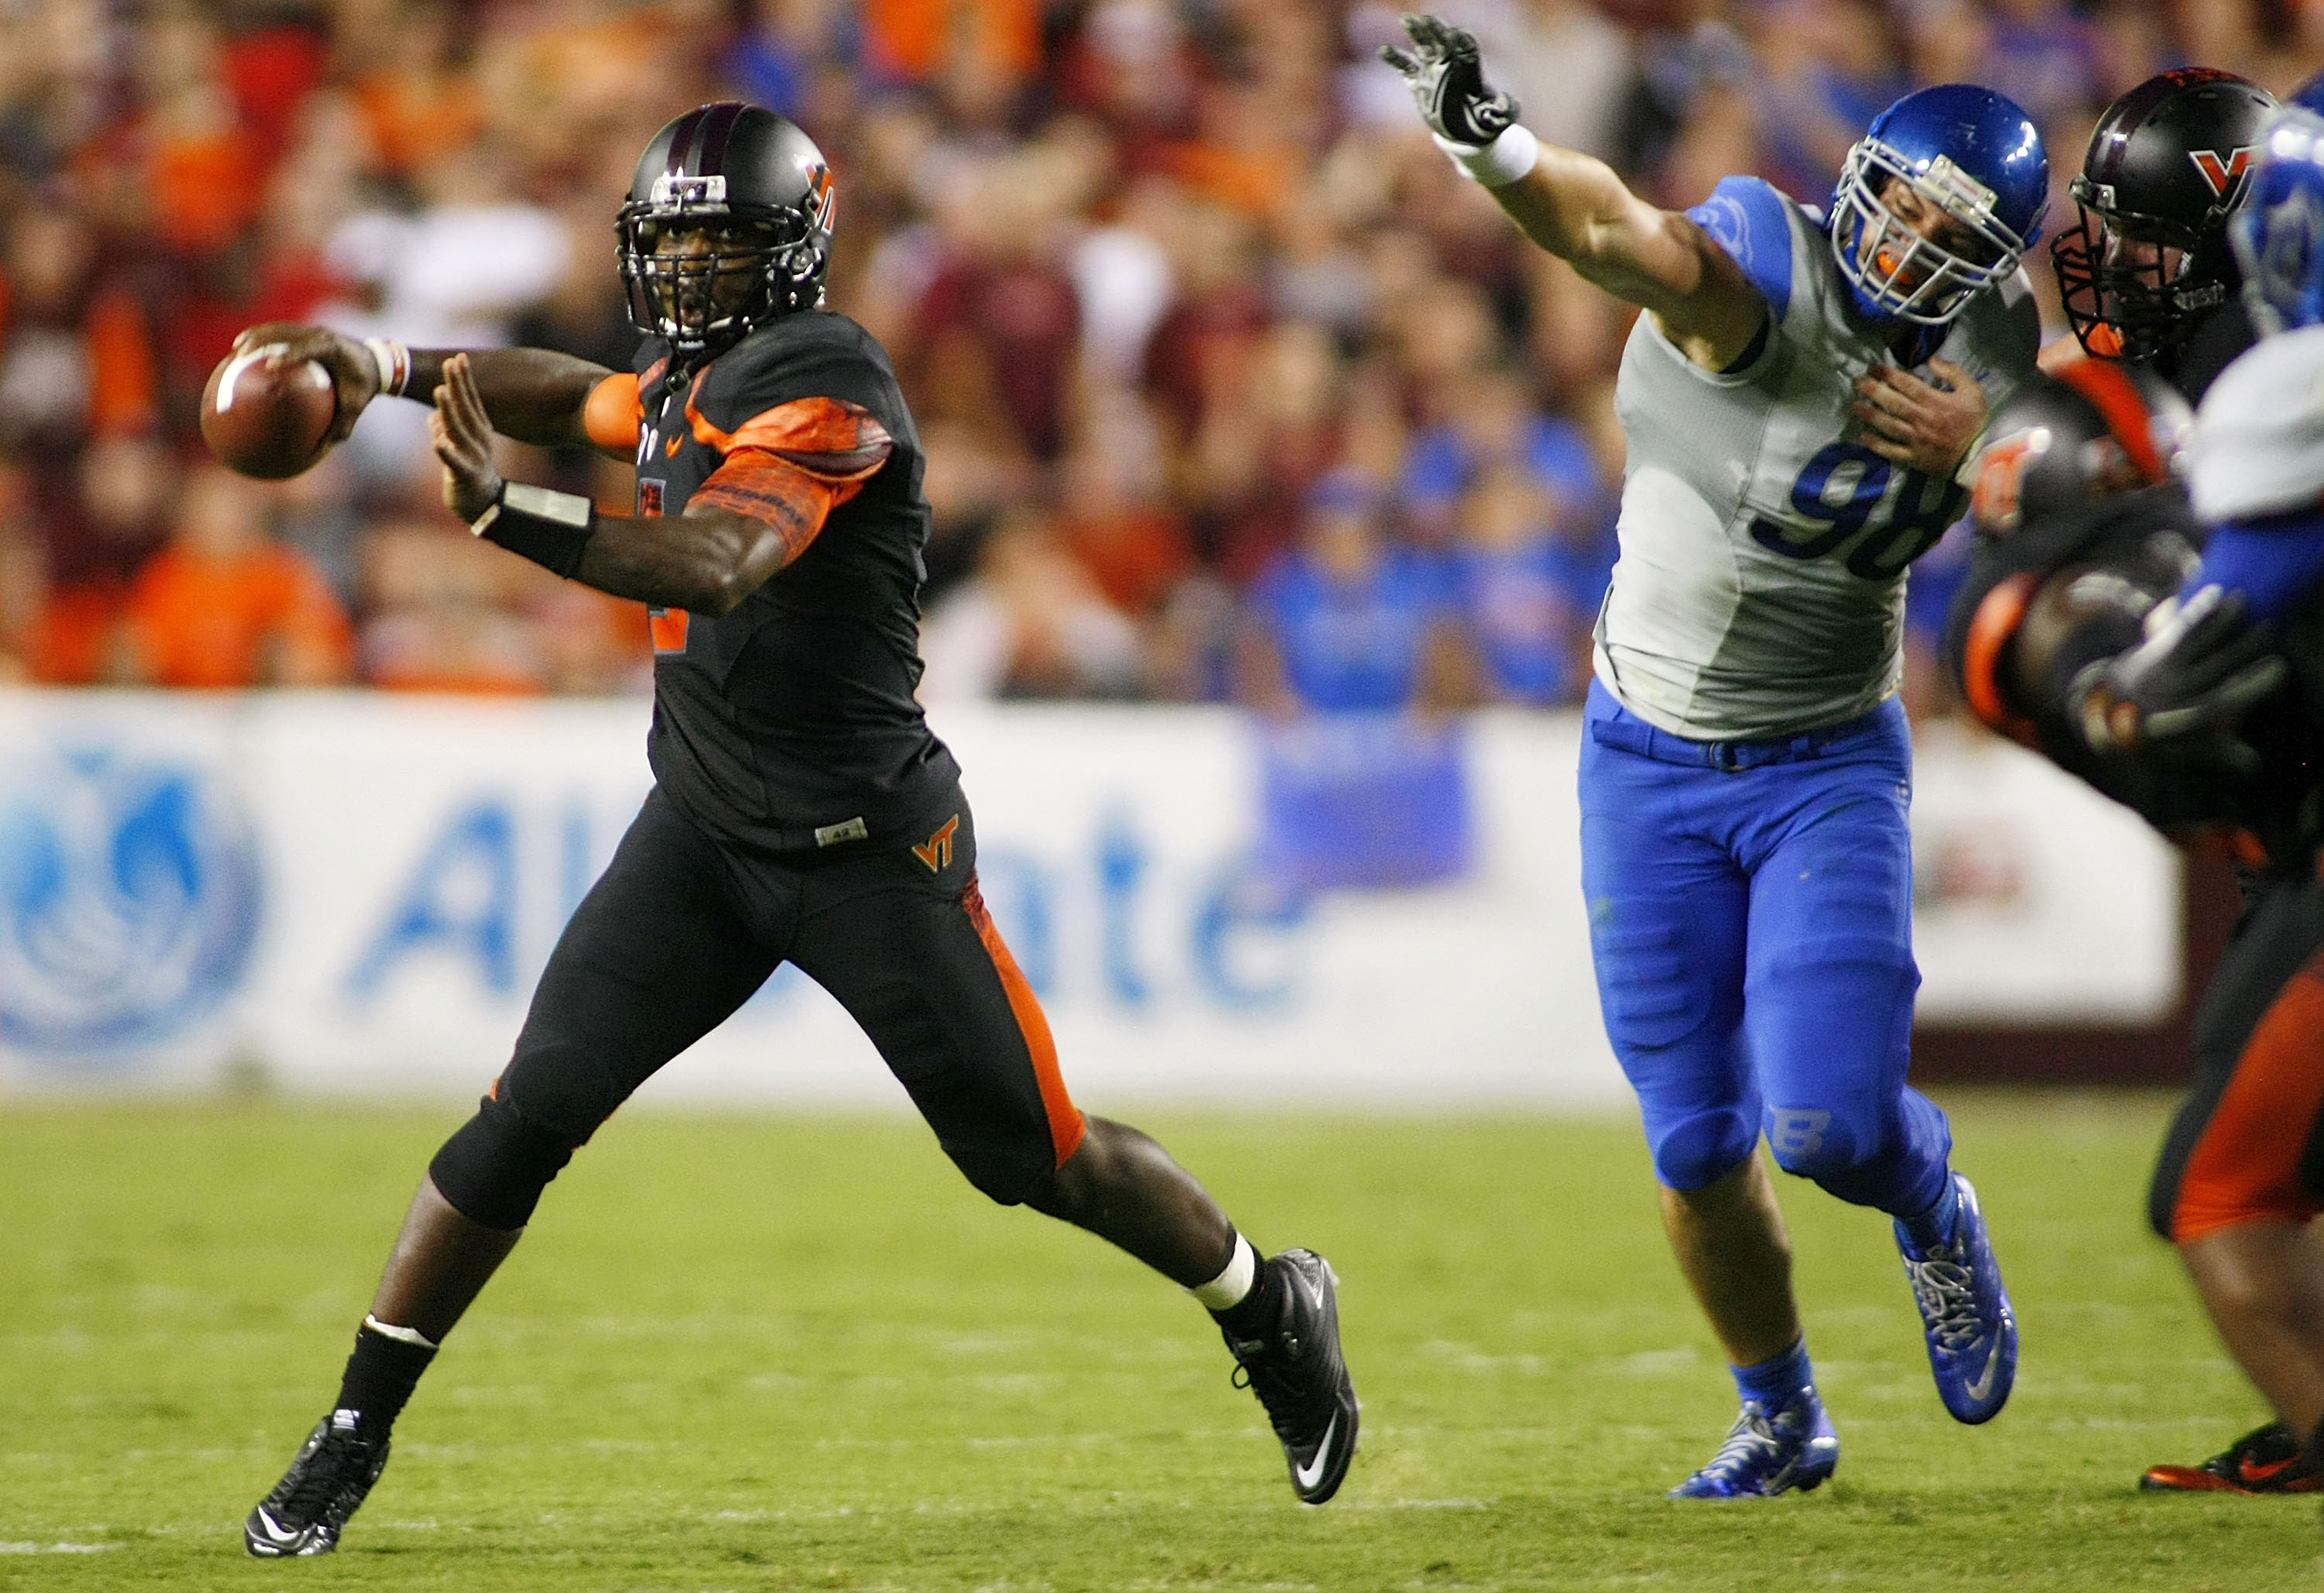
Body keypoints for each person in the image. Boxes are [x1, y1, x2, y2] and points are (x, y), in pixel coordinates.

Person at [235, 102, 1359, 1559]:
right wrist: (380, 364)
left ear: (797, 250)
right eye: (677, 241)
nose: (694, 270)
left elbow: (721, 557)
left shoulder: (830, 383)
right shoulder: (690, 373)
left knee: (1041, 1156)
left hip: (865, 857)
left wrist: (506, 518)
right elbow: (576, 389)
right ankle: (353, 1430)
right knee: (523, 1120)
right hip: (702, 835)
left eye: (724, 241)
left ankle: (1270, 1304)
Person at [1381, 15, 2044, 1497]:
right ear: (1860, 178)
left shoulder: (2001, 352)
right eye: (1905, 201)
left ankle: (1932, 1201)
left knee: (1832, 1124)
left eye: (1955, 230)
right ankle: (1781, 1413)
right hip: (1649, 761)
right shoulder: (1764, 274)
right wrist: (1493, 147)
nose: (1915, 241)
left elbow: (2098, 479)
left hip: (1826, 762)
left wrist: (1987, 455)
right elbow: (1618, 232)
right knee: (1694, 1146)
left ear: (1995, 259)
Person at [1945, 348, 2324, 1495]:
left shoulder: (2047, 594)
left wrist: (2119, 694)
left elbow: (2087, 643)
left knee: (2219, 1192)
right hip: (2296, 865)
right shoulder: (2217, 539)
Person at [2050, 68, 2278, 404]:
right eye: (2112, 227)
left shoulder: (2291, 373)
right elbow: (2042, 382)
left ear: (2231, 242)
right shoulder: (2148, 329)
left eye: (2145, 233)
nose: (2113, 258)